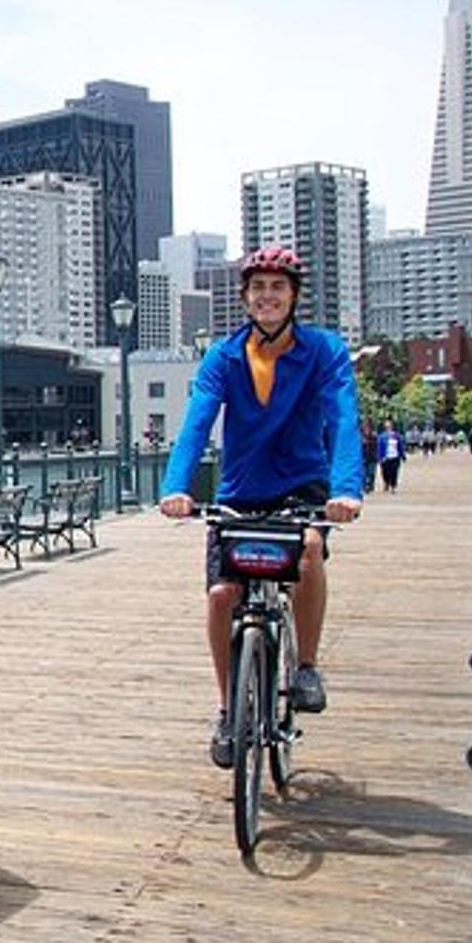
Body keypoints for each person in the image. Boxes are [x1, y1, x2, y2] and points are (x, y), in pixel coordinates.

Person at [156, 247, 363, 769]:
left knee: (309, 551)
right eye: (258, 288)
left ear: (293, 296)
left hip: (303, 486)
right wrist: (176, 487)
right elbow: (197, 422)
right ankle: (229, 710)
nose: (267, 296)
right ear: (245, 298)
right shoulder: (223, 357)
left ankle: (307, 666)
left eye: (278, 287)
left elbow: (341, 417)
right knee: (223, 594)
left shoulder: (324, 350)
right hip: (241, 491)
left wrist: (346, 490)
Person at [376, 420, 406, 493]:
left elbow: (400, 447)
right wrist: (379, 457)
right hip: (385, 458)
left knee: (394, 472)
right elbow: (379, 448)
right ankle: (386, 483)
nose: (388, 427)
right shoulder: (382, 437)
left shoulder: (397, 436)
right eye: (387, 426)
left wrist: (403, 456)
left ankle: (393, 486)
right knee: (385, 472)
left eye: (389, 426)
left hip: (395, 457)